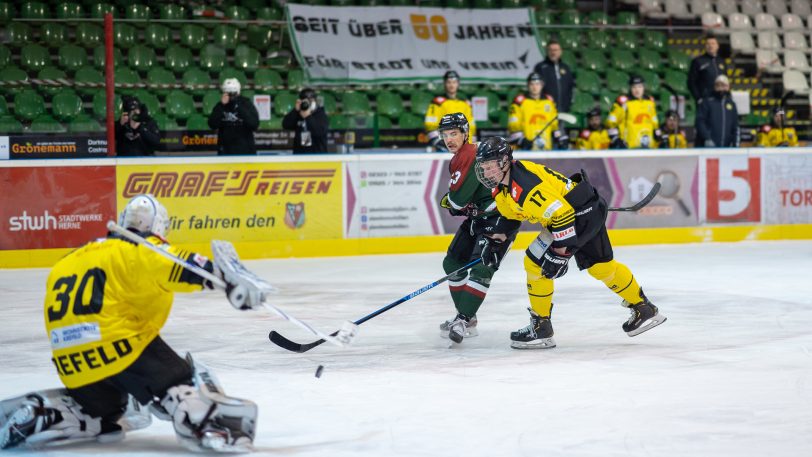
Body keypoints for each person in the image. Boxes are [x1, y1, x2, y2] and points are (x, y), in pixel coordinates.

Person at [0, 195, 259, 452]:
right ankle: (209, 423)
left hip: (72, 363)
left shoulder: (70, 258)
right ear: (158, 227)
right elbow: (187, 266)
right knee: (182, 376)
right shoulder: (140, 249)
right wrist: (229, 281)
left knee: (104, 411)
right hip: (121, 347)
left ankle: (52, 413)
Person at [472, 137, 666, 349]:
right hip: (586, 208)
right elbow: (510, 216)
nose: (486, 172)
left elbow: (562, 214)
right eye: (483, 167)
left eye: (490, 166)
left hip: (576, 215)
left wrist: (560, 253)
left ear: (505, 161)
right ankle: (644, 309)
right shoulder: (505, 186)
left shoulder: (525, 187)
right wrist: (496, 242)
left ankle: (541, 328)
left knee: (535, 264)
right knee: (602, 268)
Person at [437, 113, 521, 344]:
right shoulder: (458, 157)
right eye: (445, 135)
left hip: (499, 219)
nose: (449, 139)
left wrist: (451, 202)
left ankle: (462, 319)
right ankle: (468, 318)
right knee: (452, 263)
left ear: (465, 133)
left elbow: (456, 203)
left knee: (483, 268)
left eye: (454, 133)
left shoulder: (470, 155)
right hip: (478, 219)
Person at [507, 72, 569, 151]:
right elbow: (513, 125)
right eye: (531, 84)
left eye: (537, 84)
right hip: (526, 149)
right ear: (528, 85)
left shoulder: (549, 101)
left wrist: (561, 138)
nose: (534, 87)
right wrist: (521, 140)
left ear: (542, 85)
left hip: (546, 148)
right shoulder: (519, 101)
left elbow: (554, 125)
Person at [424, 71, 477, 151]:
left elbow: (471, 127)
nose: (451, 85)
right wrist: (439, 142)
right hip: (444, 148)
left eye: (454, 82)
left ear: (458, 84)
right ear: (445, 84)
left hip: (465, 149)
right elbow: (430, 125)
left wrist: (470, 145)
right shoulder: (437, 103)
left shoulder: (466, 103)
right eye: (449, 82)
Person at [606, 74, 661, 149]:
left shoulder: (650, 102)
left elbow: (654, 122)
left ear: (644, 88)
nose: (637, 90)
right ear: (630, 88)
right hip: (629, 147)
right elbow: (610, 122)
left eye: (640, 87)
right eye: (634, 87)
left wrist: (657, 133)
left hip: (648, 146)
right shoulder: (623, 103)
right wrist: (616, 139)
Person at [208, 78, 259, 155]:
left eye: (233, 93)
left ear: (238, 92)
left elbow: (254, 124)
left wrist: (238, 106)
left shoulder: (246, 103)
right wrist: (222, 105)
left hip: (246, 150)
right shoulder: (220, 106)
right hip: (225, 150)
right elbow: (212, 124)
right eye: (228, 93)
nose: (231, 96)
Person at [695, 75, 739, 148]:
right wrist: (707, 138)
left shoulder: (732, 104)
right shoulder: (707, 102)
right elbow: (700, 122)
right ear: (714, 86)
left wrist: (735, 144)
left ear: (728, 87)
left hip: (727, 148)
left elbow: (735, 126)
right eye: (718, 85)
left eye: (723, 85)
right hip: (708, 146)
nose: (720, 88)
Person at [282, 88, 329, 154]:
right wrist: (295, 110)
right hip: (300, 155)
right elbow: (285, 125)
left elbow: (319, 132)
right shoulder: (298, 113)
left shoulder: (321, 114)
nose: (308, 103)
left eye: (311, 100)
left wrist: (308, 117)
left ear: (315, 101)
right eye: (306, 100)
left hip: (317, 156)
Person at [532, 40, 574, 113]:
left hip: (563, 110)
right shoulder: (540, 67)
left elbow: (571, 87)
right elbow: (535, 88)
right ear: (547, 52)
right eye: (550, 50)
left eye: (555, 50)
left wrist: (568, 104)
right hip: (545, 109)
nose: (553, 52)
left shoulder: (566, 68)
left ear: (560, 51)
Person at [688, 35, 728, 102]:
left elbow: (726, 80)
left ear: (717, 46)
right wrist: (698, 98)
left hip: (720, 99)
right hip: (705, 99)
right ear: (705, 46)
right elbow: (691, 81)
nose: (710, 46)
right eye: (708, 44)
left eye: (713, 43)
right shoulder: (698, 61)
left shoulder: (722, 61)